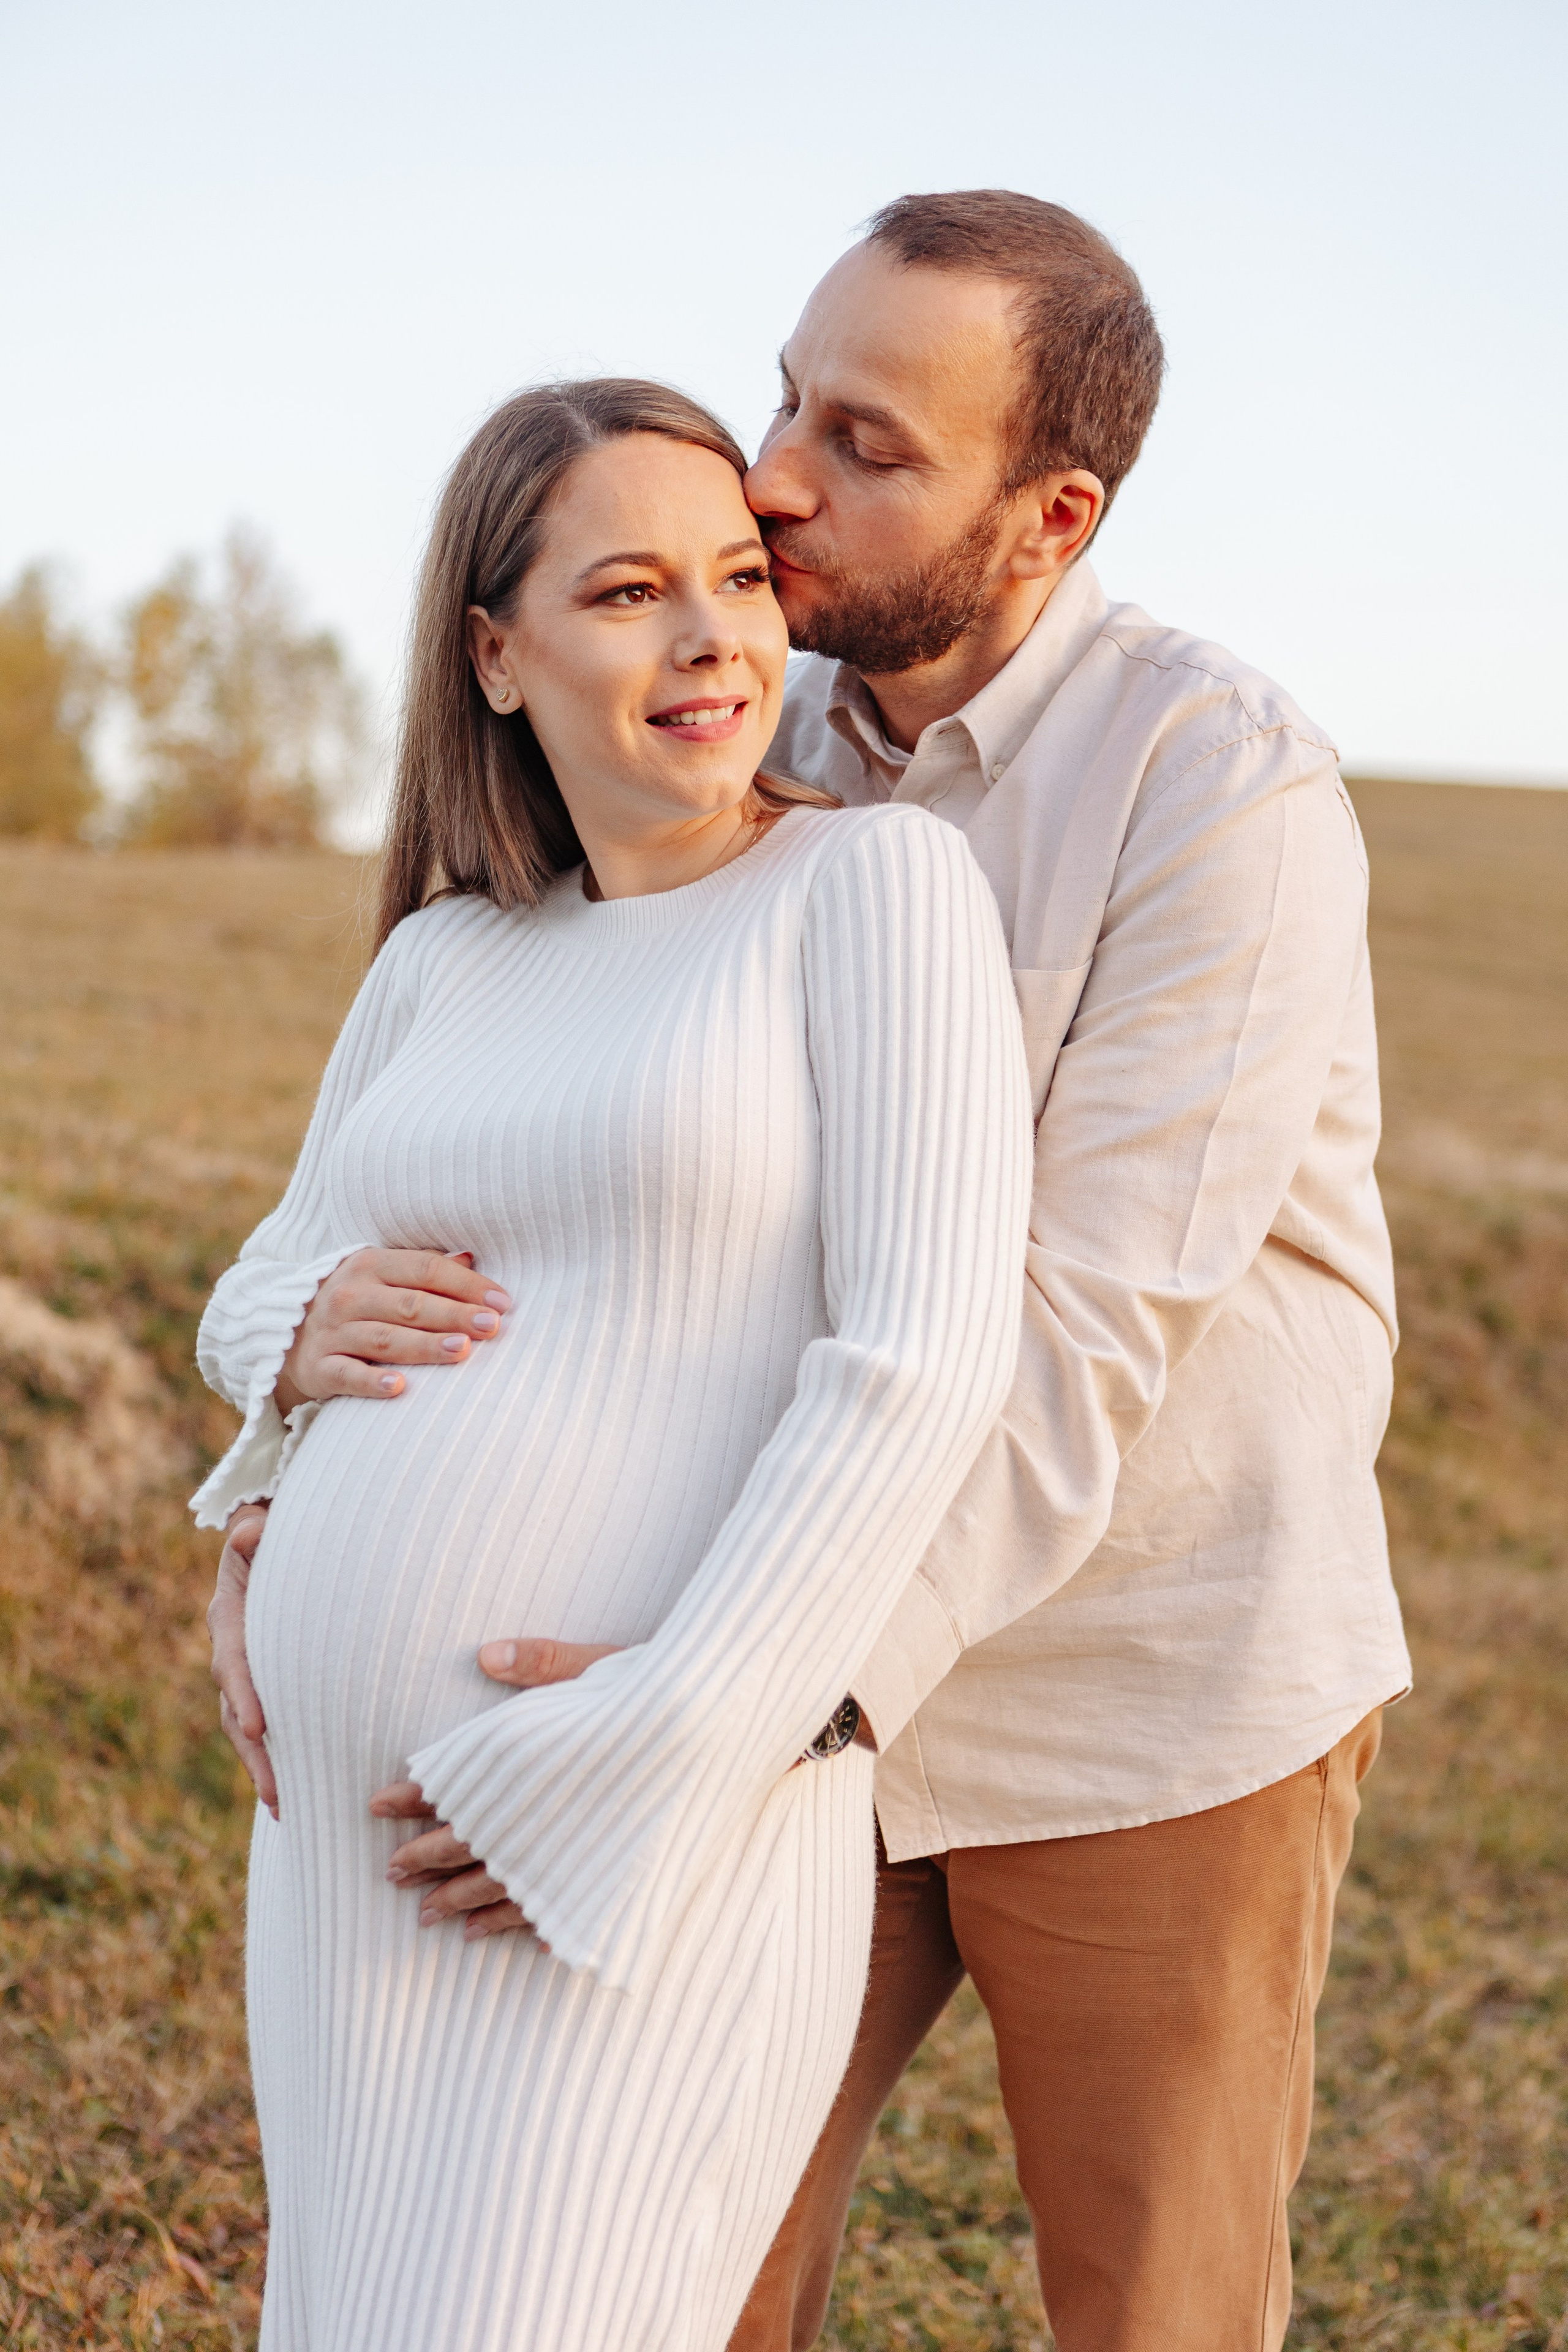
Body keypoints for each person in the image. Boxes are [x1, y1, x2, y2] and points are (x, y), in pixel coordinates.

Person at [209, 192, 1412, 2352]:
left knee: (1151, 2301)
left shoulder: (1215, 783)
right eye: (787, 393)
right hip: (747, 1662)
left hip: (1129, 1680)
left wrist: (756, 1704)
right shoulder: (750, 739)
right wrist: (286, 1497)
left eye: (866, 441)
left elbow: (1073, 1331)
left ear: (1048, 516)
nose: (775, 476)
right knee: (684, 2282)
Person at [190, 376, 1032, 2352]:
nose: (711, 637)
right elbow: (268, 1276)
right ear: (496, 652)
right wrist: (277, 1405)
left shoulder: (872, 894)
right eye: (630, 590)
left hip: (634, 1830)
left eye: (738, 579)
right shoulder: (447, 962)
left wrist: (650, 1746)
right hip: (344, 1857)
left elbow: (916, 1363)